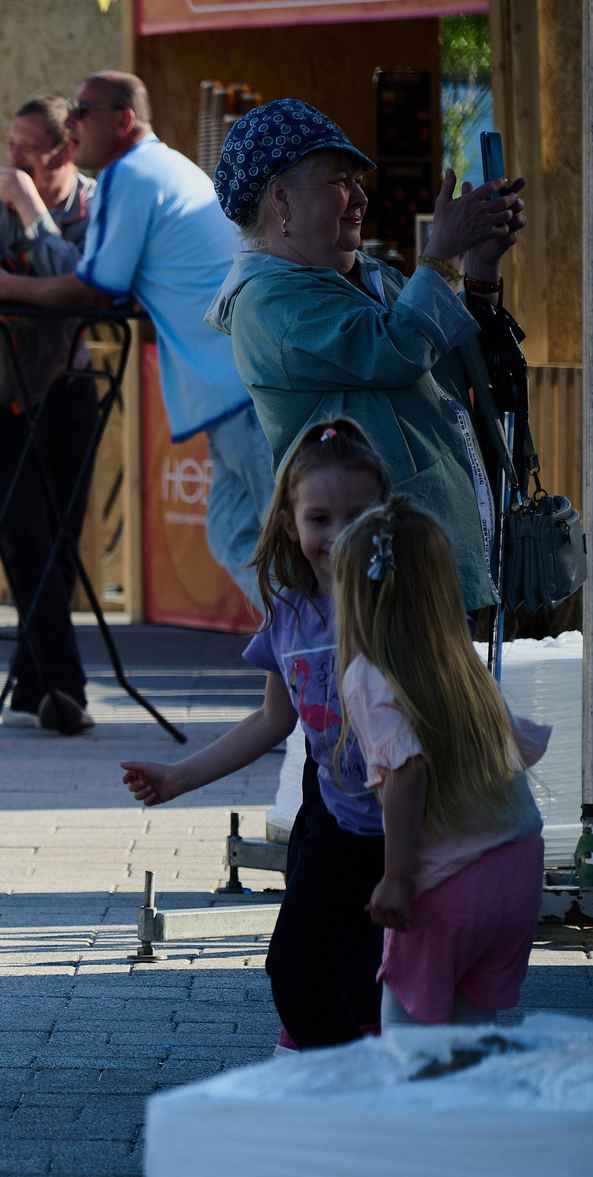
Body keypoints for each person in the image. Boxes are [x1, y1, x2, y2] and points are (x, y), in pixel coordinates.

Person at [120, 421, 392, 1049]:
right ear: (291, 523)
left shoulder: (406, 601)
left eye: (358, 515)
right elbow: (275, 719)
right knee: (294, 969)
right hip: (336, 819)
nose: (337, 534)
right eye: (320, 517)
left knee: (382, 980)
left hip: (415, 818)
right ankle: (347, 1085)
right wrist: (178, 777)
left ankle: (381, 1103)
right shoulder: (289, 613)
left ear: (387, 518)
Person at [0, 73, 266, 610]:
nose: (72, 123)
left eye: (83, 112)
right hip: (236, 385)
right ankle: (300, 684)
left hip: (243, 388)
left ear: (123, 120)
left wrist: (2, 284)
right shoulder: (152, 168)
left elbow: (93, 292)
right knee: (239, 540)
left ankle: (339, 681)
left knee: (288, 551)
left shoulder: (130, 174)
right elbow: (114, 290)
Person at [206, 98, 524, 614]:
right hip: (370, 570)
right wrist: (443, 256)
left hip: (425, 552)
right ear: (281, 199)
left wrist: (481, 267)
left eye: (358, 181)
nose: (360, 198)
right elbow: (395, 349)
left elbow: (458, 364)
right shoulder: (267, 303)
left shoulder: (370, 275)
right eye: (339, 182)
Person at [335, 496, 549, 1029]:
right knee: (467, 1046)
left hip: (449, 887)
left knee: (409, 1045)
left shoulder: (368, 676)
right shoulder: (463, 667)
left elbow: (408, 771)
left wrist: (396, 879)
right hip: (519, 866)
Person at [0, 95, 101, 735]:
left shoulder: (96, 203)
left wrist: (35, 218)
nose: (10, 160)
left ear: (65, 152)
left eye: (26, 149)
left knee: (62, 539)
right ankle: (64, 686)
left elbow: (92, 290)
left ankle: (29, 684)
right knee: (26, 540)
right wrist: (50, 290)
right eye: (8, 144)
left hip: (67, 386)